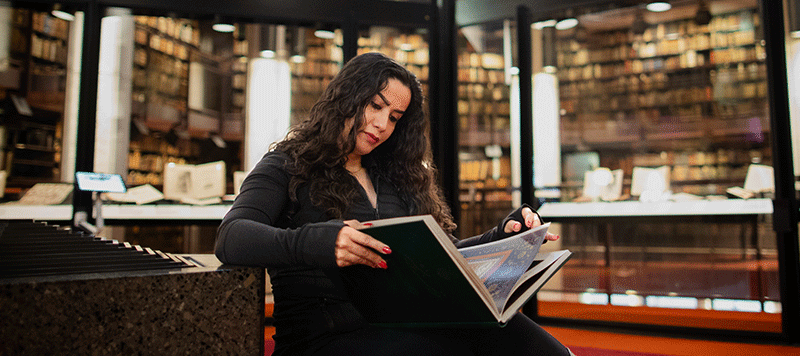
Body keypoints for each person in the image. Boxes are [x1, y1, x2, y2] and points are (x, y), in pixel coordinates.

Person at [215, 52, 570, 356]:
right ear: (347, 98)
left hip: (402, 323)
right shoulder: (288, 164)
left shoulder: (394, 177)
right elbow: (231, 236)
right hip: (323, 337)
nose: (382, 125)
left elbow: (439, 258)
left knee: (517, 335)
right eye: (375, 106)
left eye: (395, 118)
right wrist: (323, 240)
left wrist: (502, 235)